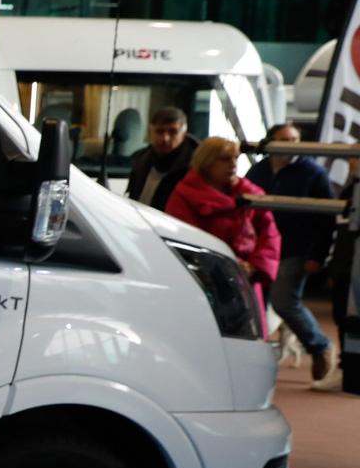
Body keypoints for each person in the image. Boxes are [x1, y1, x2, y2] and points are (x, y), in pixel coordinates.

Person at [246, 121, 337, 382]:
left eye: (295, 139)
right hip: (260, 248)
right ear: (270, 143)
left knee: (285, 302)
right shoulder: (258, 170)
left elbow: (326, 218)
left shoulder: (313, 173)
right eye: (285, 140)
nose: (292, 145)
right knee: (255, 306)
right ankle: (256, 363)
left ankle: (320, 346)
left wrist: (317, 255)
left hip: (295, 248)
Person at [165, 137, 282, 331]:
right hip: (205, 281)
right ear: (207, 162)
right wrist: (229, 265)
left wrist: (254, 266)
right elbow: (184, 238)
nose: (233, 164)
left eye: (235, 158)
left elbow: (270, 234)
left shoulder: (252, 195)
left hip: (246, 279)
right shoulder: (184, 195)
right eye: (225, 159)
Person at [126, 105, 196, 208]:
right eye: (159, 131)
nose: (165, 138)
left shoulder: (196, 166)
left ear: (183, 134)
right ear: (151, 132)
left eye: (173, 132)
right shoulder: (140, 159)